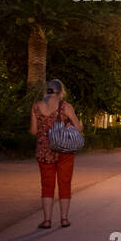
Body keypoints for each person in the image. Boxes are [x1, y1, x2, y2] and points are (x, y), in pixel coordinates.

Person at [29, 79, 83, 228]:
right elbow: (78, 128)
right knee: (64, 183)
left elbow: (33, 131)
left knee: (47, 185)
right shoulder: (65, 107)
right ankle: (64, 219)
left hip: (44, 150)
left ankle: (47, 220)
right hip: (64, 150)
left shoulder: (36, 107)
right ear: (60, 92)